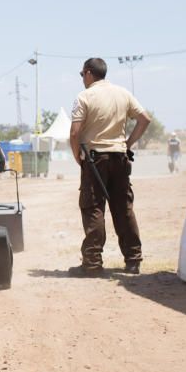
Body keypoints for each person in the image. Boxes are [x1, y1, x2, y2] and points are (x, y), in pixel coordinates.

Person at [68, 58, 151, 277]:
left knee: (93, 208)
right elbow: (144, 119)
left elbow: (75, 132)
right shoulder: (123, 93)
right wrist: (127, 143)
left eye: (82, 75)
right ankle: (133, 261)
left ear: (88, 73)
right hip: (120, 157)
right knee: (123, 208)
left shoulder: (84, 97)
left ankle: (93, 264)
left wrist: (78, 156)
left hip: (95, 159)